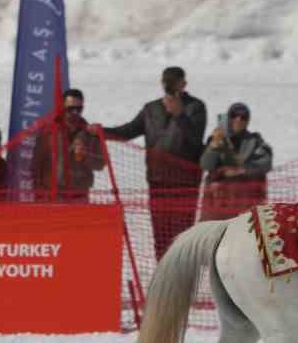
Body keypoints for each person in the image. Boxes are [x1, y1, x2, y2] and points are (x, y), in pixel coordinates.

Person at [99, 66, 207, 258]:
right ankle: (163, 278)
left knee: (184, 237)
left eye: (175, 81)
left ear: (184, 83)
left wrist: (180, 115)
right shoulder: (151, 109)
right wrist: (101, 132)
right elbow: (127, 131)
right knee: (161, 235)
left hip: (185, 183)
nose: (171, 85)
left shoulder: (196, 107)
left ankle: (183, 280)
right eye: (168, 81)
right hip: (158, 181)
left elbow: (195, 140)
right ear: (162, 83)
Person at [29, 89, 106, 202]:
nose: (75, 113)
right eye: (71, 109)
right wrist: (38, 193)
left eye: (79, 109)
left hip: (79, 198)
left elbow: (100, 163)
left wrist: (85, 156)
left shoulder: (90, 133)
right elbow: (36, 164)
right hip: (51, 197)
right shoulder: (48, 132)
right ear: (62, 107)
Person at [199, 103, 272, 220]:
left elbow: (265, 164)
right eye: (234, 115)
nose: (238, 119)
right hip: (217, 204)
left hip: (245, 205)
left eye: (243, 117)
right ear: (228, 117)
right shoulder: (216, 138)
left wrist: (241, 170)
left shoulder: (255, 141)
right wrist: (214, 145)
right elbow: (206, 164)